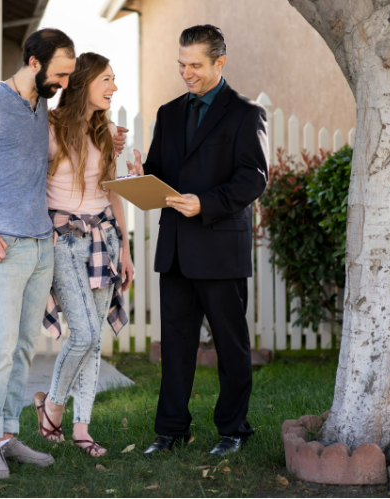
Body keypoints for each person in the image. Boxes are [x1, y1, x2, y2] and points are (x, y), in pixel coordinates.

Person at [0, 28, 122, 481]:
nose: (65, 83)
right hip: (0, 246)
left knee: (25, 347)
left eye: (70, 75)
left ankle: (8, 435)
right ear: (34, 62)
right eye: (61, 74)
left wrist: (113, 141)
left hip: (40, 243)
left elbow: (73, 136)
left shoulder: (42, 106)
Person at [127, 25, 269, 457]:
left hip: (219, 247)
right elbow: (160, 171)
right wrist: (141, 175)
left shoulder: (246, 114)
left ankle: (234, 429)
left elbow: (254, 179)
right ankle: (170, 430)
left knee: (230, 345)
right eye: (181, 65)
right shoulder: (169, 113)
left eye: (196, 65)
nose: (186, 73)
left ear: (219, 63)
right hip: (175, 251)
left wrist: (204, 203)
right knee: (175, 345)